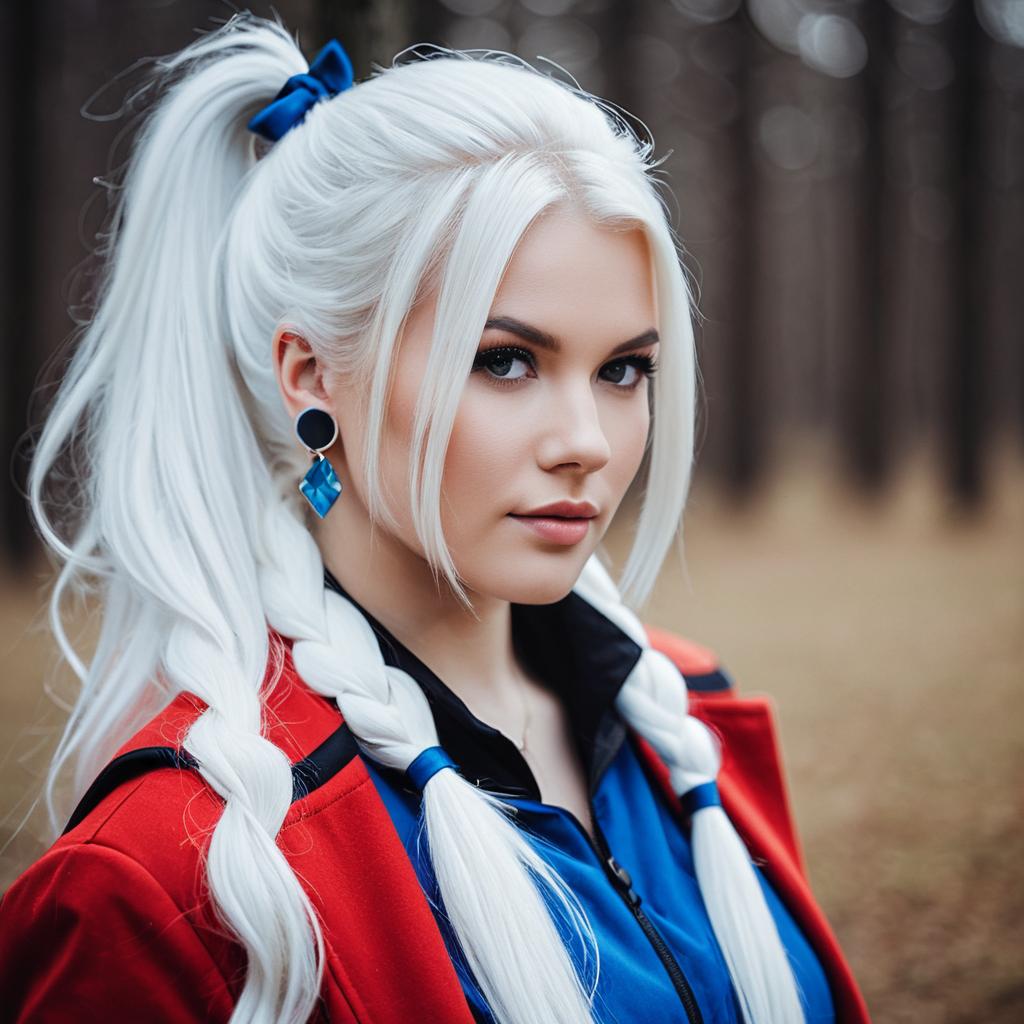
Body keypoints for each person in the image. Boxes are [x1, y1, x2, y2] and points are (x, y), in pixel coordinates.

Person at [0, 12, 869, 1024]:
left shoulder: (691, 720)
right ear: (311, 373)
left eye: (623, 367)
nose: (586, 439)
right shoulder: (171, 882)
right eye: (505, 359)